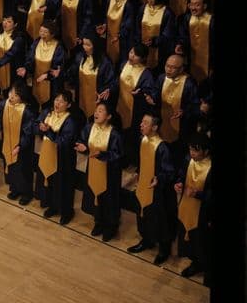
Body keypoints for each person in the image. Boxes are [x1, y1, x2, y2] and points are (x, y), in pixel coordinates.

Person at [127, 114, 176, 266]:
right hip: (143, 186)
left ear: (155, 127)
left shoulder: (162, 147)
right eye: (141, 121)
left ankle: (164, 250)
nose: (141, 125)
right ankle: (147, 240)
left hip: (158, 191)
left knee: (160, 219)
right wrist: (137, 174)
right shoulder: (143, 140)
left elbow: (169, 171)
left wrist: (158, 179)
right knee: (142, 213)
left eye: (145, 123)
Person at [75, 102, 123, 242]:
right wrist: (82, 146)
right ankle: (99, 222)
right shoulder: (90, 127)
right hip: (93, 169)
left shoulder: (114, 134)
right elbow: (82, 140)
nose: (96, 113)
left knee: (108, 199)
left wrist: (101, 155)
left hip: (109, 173)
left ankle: (110, 226)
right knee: (94, 194)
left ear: (108, 116)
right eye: (96, 110)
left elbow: (117, 154)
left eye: (101, 111)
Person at [146, 54, 199, 163]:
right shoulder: (161, 78)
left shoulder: (189, 83)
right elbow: (155, 93)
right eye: (167, 66)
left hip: (181, 127)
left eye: (173, 67)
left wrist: (184, 111)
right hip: (163, 121)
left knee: (177, 155)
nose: (169, 70)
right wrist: (152, 99)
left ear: (181, 69)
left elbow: (195, 105)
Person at [35, 91, 77, 225]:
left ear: (68, 105)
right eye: (56, 100)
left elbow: (64, 141)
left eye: (62, 101)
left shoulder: (70, 120)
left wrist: (48, 131)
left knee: (63, 185)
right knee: (50, 181)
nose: (57, 103)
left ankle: (66, 212)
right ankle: (52, 206)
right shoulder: (48, 112)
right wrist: (40, 128)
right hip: (47, 153)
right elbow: (36, 124)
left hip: (63, 158)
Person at [0, 81, 36, 205]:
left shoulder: (27, 111)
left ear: (22, 98)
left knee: (22, 169)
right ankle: (14, 189)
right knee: (10, 167)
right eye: (11, 93)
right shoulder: (3, 105)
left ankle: (27, 193)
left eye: (16, 95)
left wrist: (20, 146)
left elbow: (28, 133)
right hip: (8, 143)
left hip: (22, 147)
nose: (11, 96)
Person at [175, 133, 212, 278]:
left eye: (196, 150)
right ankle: (194, 261)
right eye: (191, 150)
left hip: (202, 213)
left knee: (200, 241)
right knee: (188, 238)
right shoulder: (188, 160)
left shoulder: (211, 167)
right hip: (186, 206)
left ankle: (200, 264)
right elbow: (181, 174)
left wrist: (198, 194)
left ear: (206, 151)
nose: (192, 153)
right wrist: (178, 183)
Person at [116, 44, 156, 166]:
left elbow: (148, 93)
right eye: (131, 52)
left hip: (135, 111)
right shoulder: (124, 64)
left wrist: (139, 95)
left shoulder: (146, 74)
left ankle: (129, 160)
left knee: (130, 136)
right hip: (119, 105)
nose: (132, 56)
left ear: (143, 58)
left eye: (136, 55)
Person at [65, 34, 116, 120]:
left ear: (95, 46)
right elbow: (72, 73)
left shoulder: (105, 62)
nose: (85, 47)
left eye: (88, 45)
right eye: (84, 44)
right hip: (81, 95)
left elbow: (110, 81)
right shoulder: (80, 57)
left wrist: (108, 89)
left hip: (97, 98)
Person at [18, 20, 65, 109]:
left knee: (48, 106)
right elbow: (30, 59)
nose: (42, 34)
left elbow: (57, 68)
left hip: (51, 84)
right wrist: (26, 68)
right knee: (35, 102)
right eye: (41, 31)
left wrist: (47, 75)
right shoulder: (36, 42)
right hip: (37, 80)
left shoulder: (58, 47)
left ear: (52, 34)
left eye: (45, 32)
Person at [97, 0, 136, 66]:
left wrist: (119, 36)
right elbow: (106, 18)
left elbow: (128, 25)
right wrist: (104, 26)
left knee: (119, 64)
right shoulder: (108, 1)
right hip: (109, 38)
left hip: (122, 41)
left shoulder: (128, 5)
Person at [175, 0, 213, 85]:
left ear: (204, 6)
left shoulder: (212, 20)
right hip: (191, 60)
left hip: (209, 62)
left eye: (197, 5)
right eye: (191, 5)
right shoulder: (186, 19)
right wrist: (181, 45)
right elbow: (183, 37)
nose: (193, 8)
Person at [136, 0, 175, 72]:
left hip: (160, 51)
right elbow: (137, 27)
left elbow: (168, 34)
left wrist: (155, 41)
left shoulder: (167, 12)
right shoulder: (143, 8)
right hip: (142, 47)